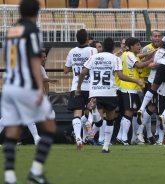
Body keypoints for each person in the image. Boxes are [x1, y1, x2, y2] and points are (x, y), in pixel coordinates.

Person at [1, 0, 56, 183]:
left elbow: (7, 59)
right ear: (36, 13)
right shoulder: (32, 30)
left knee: (12, 130)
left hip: (9, 85)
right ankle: (36, 171)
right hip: (25, 86)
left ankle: (9, 176)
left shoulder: (11, 31)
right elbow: (35, 60)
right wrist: (39, 88)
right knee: (49, 127)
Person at [76, 37, 143, 152]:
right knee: (110, 120)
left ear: (103, 46)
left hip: (95, 92)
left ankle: (95, 119)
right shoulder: (115, 59)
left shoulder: (94, 57)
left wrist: (78, 87)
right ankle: (105, 147)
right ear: (113, 47)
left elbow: (82, 72)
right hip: (110, 92)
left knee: (99, 119)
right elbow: (121, 76)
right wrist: (136, 81)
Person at [64, 29, 98, 150]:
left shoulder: (72, 51)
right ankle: (89, 124)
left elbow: (66, 70)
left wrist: (75, 65)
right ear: (87, 39)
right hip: (90, 87)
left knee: (77, 113)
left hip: (76, 87)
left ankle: (78, 137)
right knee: (91, 110)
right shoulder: (93, 50)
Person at [118, 37, 152, 145]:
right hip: (129, 88)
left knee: (131, 112)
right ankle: (124, 137)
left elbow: (140, 59)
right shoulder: (129, 55)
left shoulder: (127, 55)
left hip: (129, 88)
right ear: (131, 46)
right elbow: (139, 65)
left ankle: (121, 136)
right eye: (137, 45)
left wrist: (151, 54)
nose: (139, 47)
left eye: (139, 45)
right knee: (128, 112)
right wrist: (153, 60)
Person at [136, 30, 162, 144]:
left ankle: (153, 135)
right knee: (152, 107)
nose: (157, 38)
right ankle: (141, 132)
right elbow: (140, 62)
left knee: (157, 109)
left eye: (159, 36)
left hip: (161, 81)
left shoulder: (162, 47)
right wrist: (151, 59)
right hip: (149, 80)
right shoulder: (147, 49)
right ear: (151, 37)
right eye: (155, 36)